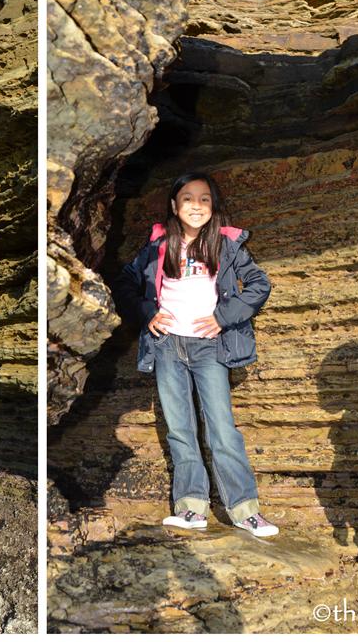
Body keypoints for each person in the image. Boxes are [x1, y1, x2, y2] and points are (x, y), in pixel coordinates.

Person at [111, 172, 277, 537]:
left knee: (222, 429)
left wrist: (222, 318)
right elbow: (125, 281)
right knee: (180, 430)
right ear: (174, 205)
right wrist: (146, 312)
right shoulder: (159, 245)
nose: (196, 205)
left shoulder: (227, 244)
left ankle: (245, 511)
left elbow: (259, 285)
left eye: (204, 199)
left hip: (208, 347)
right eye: (187, 198)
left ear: (213, 205)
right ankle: (191, 509)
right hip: (168, 345)